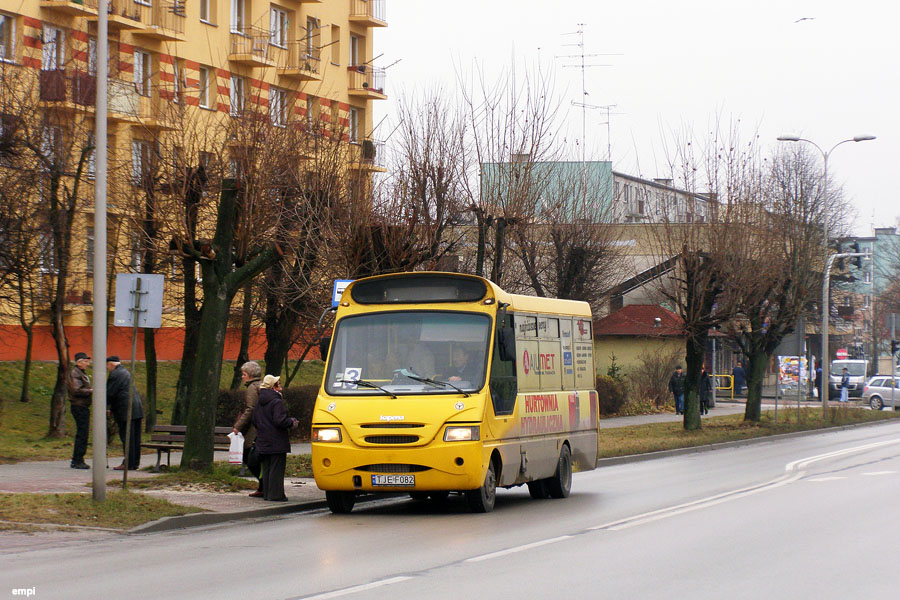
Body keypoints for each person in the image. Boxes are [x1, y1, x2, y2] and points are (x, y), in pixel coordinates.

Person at [252, 375, 299, 502]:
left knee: (267, 468)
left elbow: (255, 420)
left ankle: (267, 493)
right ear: (274, 387)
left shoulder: (260, 401)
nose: (281, 386)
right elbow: (280, 421)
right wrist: (292, 422)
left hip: (263, 440)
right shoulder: (277, 402)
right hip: (277, 441)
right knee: (276, 469)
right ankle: (276, 495)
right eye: (279, 383)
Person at [106, 356, 143, 470]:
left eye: (107, 366)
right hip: (136, 408)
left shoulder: (115, 374)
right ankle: (134, 462)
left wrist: (106, 406)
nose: (107, 368)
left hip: (125, 409)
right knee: (135, 437)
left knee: (127, 437)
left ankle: (128, 463)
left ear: (111, 364)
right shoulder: (125, 372)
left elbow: (110, 393)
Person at [233, 361, 263, 497]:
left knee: (249, 456)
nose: (242, 377)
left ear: (250, 375)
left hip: (254, 429)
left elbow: (251, 409)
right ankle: (263, 485)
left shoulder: (252, 388)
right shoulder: (261, 385)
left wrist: (238, 426)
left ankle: (263, 485)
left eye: (244, 374)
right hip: (262, 426)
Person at [67, 352, 93, 469]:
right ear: (79, 362)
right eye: (86, 361)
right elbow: (76, 390)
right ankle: (78, 460)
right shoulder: (75, 373)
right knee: (82, 433)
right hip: (79, 406)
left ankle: (78, 459)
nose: (88, 364)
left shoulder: (80, 373)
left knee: (83, 433)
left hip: (82, 406)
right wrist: (91, 391)